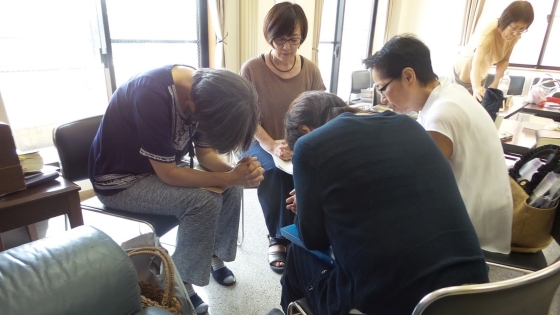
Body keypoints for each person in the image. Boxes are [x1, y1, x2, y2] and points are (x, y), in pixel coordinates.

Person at [274, 91, 489, 314]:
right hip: (471, 291)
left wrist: (306, 205)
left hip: (393, 305)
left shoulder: (309, 146)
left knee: (299, 252)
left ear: (305, 131)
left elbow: (313, 239)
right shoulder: (409, 125)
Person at [88, 65, 264, 314]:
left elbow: (205, 155)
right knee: (204, 200)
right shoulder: (151, 94)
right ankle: (181, 283)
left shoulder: (206, 93)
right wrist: (230, 177)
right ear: (195, 103)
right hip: (120, 180)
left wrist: (236, 172)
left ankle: (212, 255)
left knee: (229, 187)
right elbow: (168, 173)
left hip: (158, 167)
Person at [364, 34, 513, 254]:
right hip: (483, 214)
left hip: (472, 235)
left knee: (374, 225)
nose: (383, 98)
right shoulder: (448, 90)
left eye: (382, 88)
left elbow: (411, 184)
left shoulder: (442, 114)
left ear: (408, 76)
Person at [240, 1, 325, 273]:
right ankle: (277, 237)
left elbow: (321, 109)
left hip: (298, 141)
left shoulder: (310, 69)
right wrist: (272, 145)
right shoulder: (252, 68)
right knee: (273, 173)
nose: (286, 47)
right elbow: (249, 119)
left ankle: (304, 230)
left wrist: (300, 143)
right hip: (259, 140)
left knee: (312, 167)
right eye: (279, 39)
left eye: (293, 40)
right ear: (269, 35)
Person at [454, 0, 534, 101]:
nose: (515, 33)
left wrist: (496, 82)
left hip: (481, 74)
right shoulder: (488, 34)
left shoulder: (515, 35)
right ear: (505, 20)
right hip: (465, 72)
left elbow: (504, 60)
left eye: (522, 29)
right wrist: (477, 87)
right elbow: (476, 63)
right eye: (513, 28)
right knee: (461, 109)